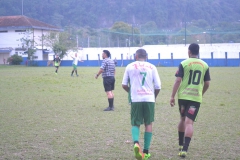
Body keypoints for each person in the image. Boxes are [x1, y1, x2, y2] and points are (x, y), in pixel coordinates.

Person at [170, 43, 210, 158]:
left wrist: (172, 96)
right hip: (195, 98)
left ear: (189, 51)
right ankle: (185, 150)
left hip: (183, 97)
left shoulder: (183, 63)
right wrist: (201, 93)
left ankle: (180, 145)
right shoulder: (205, 65)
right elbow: (207, 83)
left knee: (182, 119)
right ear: (198, 52)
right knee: (189, 122)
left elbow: (178, 80)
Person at [122, 49, 161, 160]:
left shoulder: (129, 66)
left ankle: (136, 143)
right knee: (148, 123)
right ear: (146, 56)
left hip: (136, 99)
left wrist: (131, 91)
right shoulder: (152, 67)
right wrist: (153, 96)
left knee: (135, 123)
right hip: (149, 98)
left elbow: (124, 85)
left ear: (136, 56)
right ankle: (146, 152)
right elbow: (158, 86)